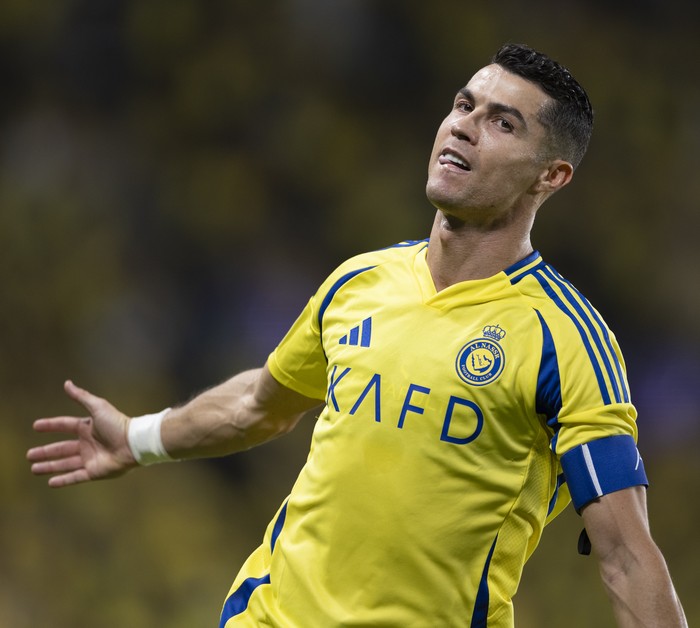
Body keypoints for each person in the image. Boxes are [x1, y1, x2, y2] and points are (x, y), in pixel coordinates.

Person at [28, 43, 687, 628]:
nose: (464, 125)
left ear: (552, 175)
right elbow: (262, 403)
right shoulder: (360, 280)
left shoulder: (565, 339)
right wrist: (141, 438)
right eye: (465, 104)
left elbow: (626, 555)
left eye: (502, 122)